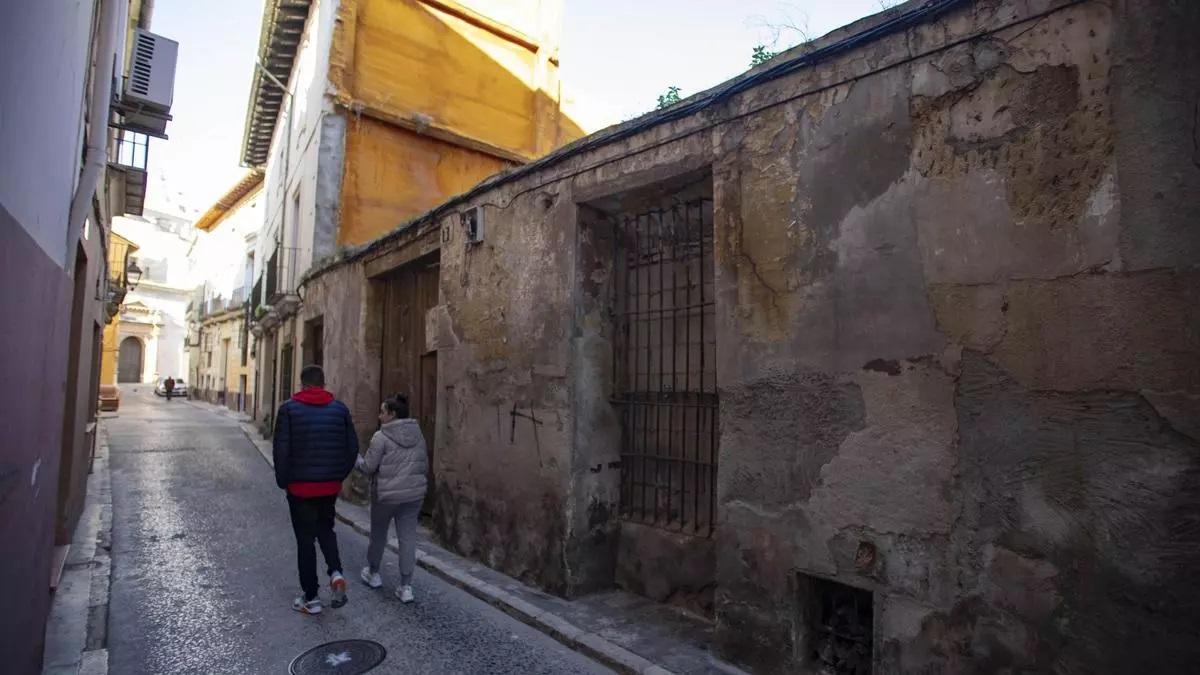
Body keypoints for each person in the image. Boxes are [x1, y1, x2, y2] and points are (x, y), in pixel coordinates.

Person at [273, 364, 358, 615]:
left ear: (302, 383)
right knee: (326, 530)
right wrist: (337, 475)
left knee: (305, 541)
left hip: (300, 488)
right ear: (323, 383)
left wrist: (284, 480)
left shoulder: (288, 409)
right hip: (328, 486)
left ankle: (311, 598)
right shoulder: (340, 410)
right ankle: (336, 572)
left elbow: (281, 450)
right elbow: (352, 448)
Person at [357, 393, 428, 604]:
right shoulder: (419, 435)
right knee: (408, 538)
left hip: (386, 496)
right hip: (413, 495)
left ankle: (374, 573)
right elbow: (423, 463)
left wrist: (355, 459)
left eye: (382, 412)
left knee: (379, 534)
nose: (379, 416)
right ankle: (406, 586)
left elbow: (369, 467)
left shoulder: (381, 437)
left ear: (392, 414)